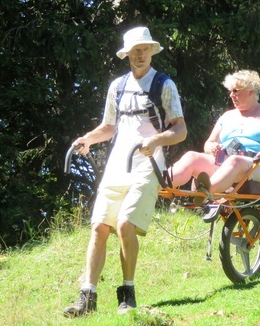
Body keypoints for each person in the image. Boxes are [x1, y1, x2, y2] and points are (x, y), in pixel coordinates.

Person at [64, 26, 187, 317]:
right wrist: (87, 139)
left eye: (144, 48)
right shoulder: (117, 86)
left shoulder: (164, 84)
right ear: (127, 54)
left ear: (151, 51)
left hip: (148, 163)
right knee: (98, 228)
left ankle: (127, 293)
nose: (140, 54)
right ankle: (87, 298)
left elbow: (180, 130)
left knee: (125, 225)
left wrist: (156, 140)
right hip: (118, 163)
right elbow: (109, 128)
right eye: (135, 50)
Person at [169, 70, 260, 215]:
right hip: (225, 164)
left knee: (235, 161)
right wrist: (211, 146)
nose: (231, 95)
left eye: (236, 91)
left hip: (259, 165)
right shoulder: (227, 116)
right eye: (230, 91)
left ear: (251, 91)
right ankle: (156, 184)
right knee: (192, 156)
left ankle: (203, 194)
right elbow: (209, 143)